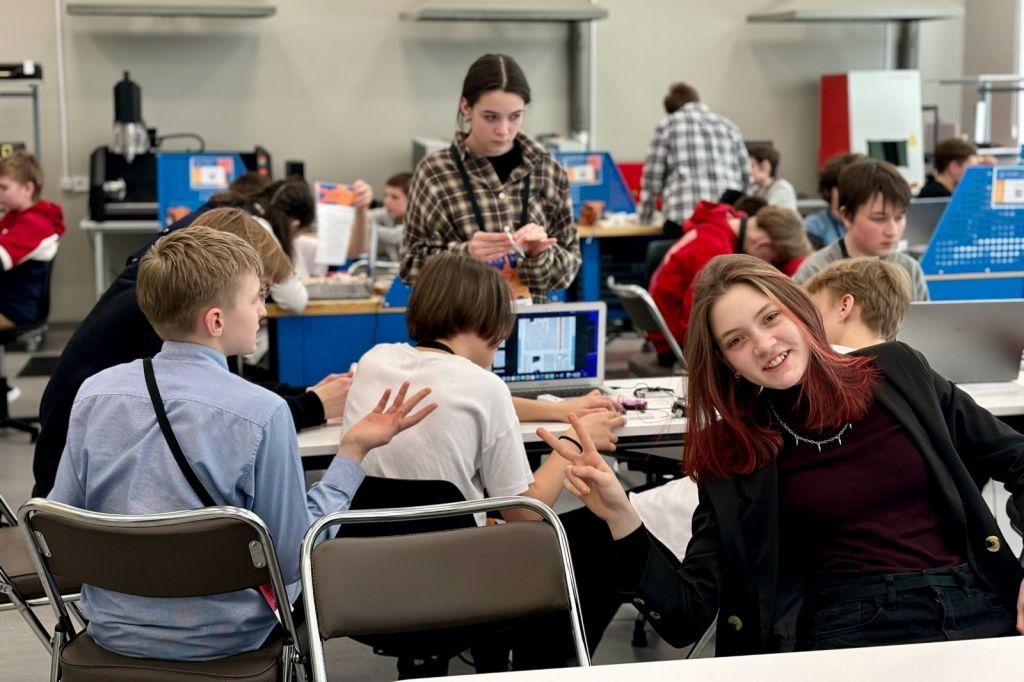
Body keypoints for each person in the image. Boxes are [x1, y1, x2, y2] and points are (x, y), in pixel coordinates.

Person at [543, 253, 1024, 656]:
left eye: (770, 318)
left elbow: (1018, 459)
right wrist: (621, 515)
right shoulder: (734, 450)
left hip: (980, 601)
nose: (764, 345)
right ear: (727, 364)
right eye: (736, 340)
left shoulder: (898, 371)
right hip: (853, 627)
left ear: (798, 310)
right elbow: (686, 615)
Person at [48, 226, 436, 661]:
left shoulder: (95, 393)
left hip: (112, 629)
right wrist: (352, 453)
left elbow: (63, 522)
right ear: (216, 321)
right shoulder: (263, 413)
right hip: (229, 638)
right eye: (256, 298)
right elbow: (291, 557)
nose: (263, 311)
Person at [342, 252, 625, 672]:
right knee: (595, 531)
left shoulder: (375, 360)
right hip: (458, 586)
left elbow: (457, 393)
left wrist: (558, 410)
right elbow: (525, 513)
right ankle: (537, 668)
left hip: (365, 581)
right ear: (487, 320)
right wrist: (569, 440)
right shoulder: (483, 386)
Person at [32, 208, 352, 497]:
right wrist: (313, 407)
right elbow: (221, 418)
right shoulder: (158, 321)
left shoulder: (155, 303)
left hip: (81, 499)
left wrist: (305, 394)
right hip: (93, 481)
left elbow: (225, 395)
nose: (263, 309)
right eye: (258, 293)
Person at [401, 53, 580, 303]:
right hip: (461, 322)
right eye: (490, 117)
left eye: (515, 116)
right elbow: (410, 267)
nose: (503, 130)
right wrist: (466, 255)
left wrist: (538, 256)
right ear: (466, 107)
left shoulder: (547, 170)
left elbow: (569, 268)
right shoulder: (434, 173)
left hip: (529, 322)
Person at [647, 202, 811, 367]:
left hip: (665, 329)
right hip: (673, 343)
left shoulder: (720, 226)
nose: (769, 264)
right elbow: (697, 321)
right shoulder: (715, 251)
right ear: (763, 244)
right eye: (774, 260)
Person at [795, 158, 930, 301]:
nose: (893, 231)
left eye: (899, 218)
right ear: (847, 216)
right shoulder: (815, 272)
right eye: (879, 219)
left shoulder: (909, 269)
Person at [638, 82, 749, 231]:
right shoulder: (729, 126)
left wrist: (644, 218)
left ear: (672, 110)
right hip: (727, 218)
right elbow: (746, 176)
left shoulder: (668, 126)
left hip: (684, 217)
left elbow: (652, 180)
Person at [0, 150, 65, 329]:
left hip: (14, 309)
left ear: (28, 189)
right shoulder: (15, 216)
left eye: (4, 188)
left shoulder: (35, 224)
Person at [804, 257, 912, 351]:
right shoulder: (910, 363)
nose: (807, 321)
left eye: (815, 309)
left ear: (844, 306)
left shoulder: (823, 367)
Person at [803, 153, 863, 249]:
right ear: (828, 191)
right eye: (843, 187)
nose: (851, 193)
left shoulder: (872, 225)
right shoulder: (813, 226)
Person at [747, 145, 797, 210]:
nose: (747, 170)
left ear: (765, 166)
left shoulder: (782, 188)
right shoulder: (756, 190)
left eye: (752, 166)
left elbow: (769, 213)